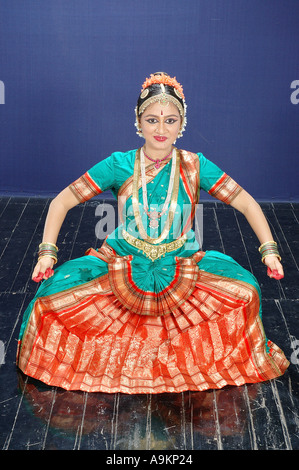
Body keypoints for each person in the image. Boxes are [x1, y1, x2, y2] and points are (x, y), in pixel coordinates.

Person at [17, 72, 289, 393]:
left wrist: (269, 250)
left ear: (181, 123)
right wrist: (47, 253)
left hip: (182, 262)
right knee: (49, 303)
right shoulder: (120, 164)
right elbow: (62, 201)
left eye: (170, 120)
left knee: (246, 293)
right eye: (152, 120)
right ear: (139, 121)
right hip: (123, 260)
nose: (161, 129)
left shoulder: (193, 165)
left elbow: (244, 201)